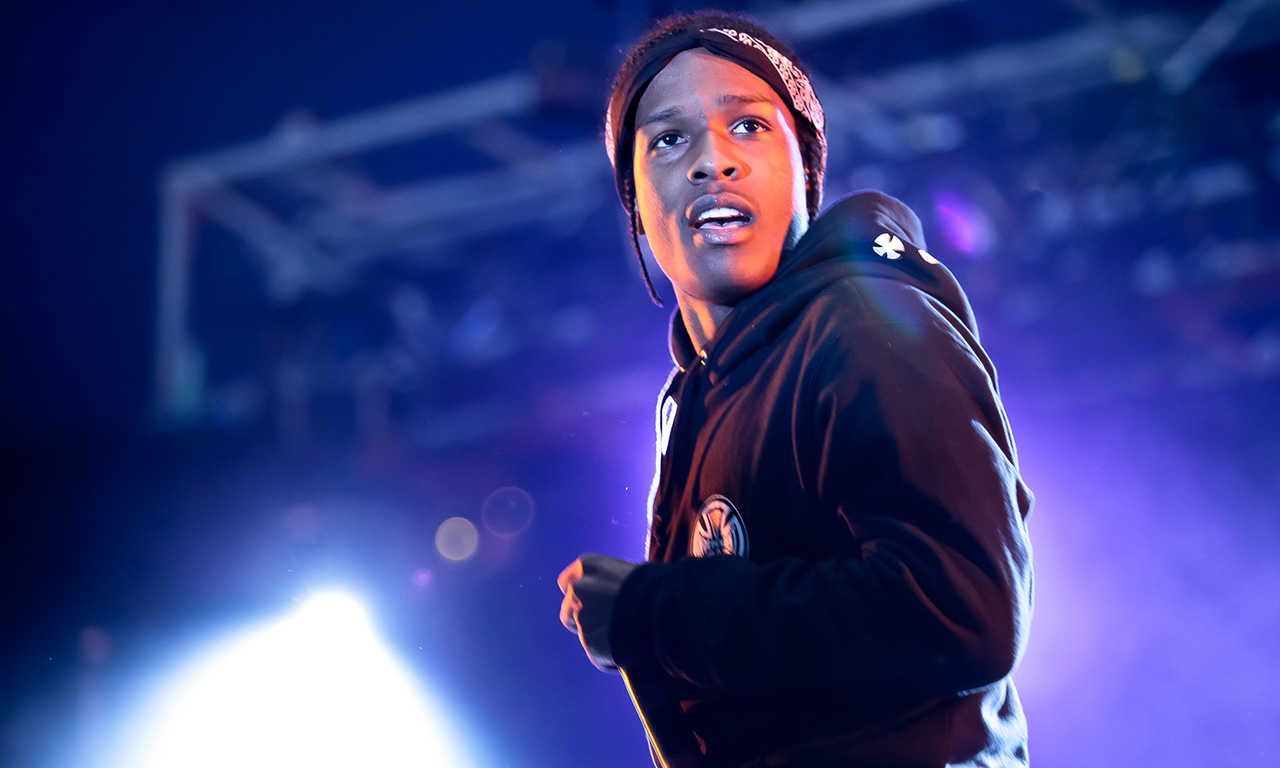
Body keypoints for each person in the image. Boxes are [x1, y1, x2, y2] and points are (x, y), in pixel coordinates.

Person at [557, 10, 1034, 767]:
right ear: (635, 206)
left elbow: (961, 607)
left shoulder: (866, 326)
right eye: (669, 139)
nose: (712, 160)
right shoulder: (697, 398)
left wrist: (655, 614)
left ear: (806, 171)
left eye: (748, 127)